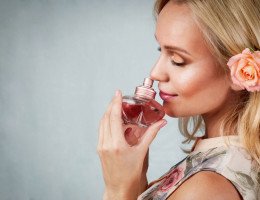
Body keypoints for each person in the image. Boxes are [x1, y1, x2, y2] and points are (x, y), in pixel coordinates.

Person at [97, 0, 260, 199]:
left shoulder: (206, 189)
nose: (155, 73)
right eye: (161, 51)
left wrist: (118, 189)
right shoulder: (217, 160)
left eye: (177, 60)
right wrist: (136, 179)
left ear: (240, 72)